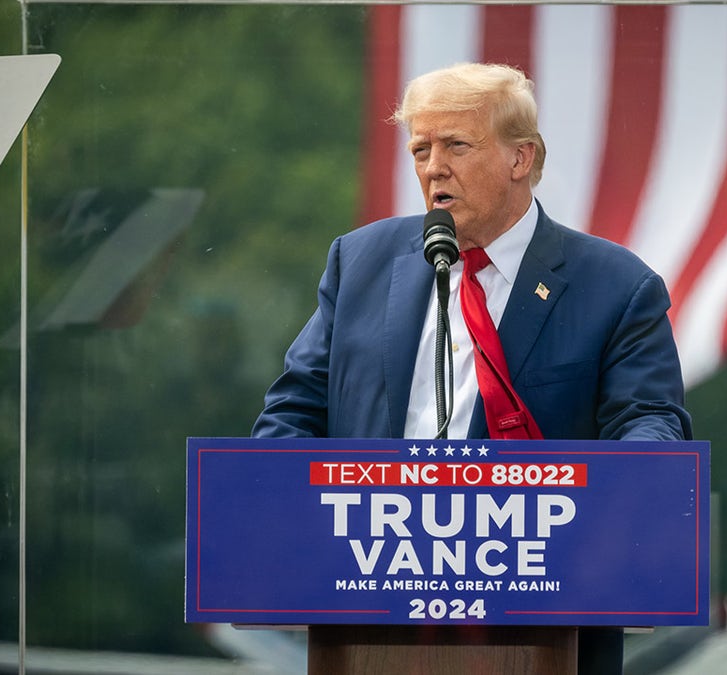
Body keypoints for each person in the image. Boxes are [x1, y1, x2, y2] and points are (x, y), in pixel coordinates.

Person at [253, 62, 692, 673]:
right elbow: (293, 411)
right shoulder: (360, 262)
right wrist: (283, 511)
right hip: (367, 611)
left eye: (456, 145)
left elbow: (649, 422)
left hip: (545, 618)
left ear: (521, 158)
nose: (433, 167)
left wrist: (612, 495)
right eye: (420, 149)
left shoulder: (616, 287)